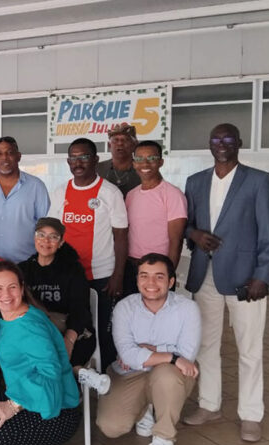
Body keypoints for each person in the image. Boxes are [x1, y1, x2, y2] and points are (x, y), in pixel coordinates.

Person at [182, 123, 269, 443]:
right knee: (206, 346)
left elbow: (267, 233)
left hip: (246, 279)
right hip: (204, 275)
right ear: (209, 144)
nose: (221, 144)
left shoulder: (258, 180)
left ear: (239, 143)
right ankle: (209, 405)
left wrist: (263, 276)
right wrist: (194, 234)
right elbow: (187, 225)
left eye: (228, 139)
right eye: (216, 139)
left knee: (249, 349)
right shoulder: (195, 181)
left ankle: (251, 414)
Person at [0, 261, 81, 445]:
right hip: (25, 394)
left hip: (58, 409)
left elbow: (50, 374)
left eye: (12, 287)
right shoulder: (7, 317)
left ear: (22, 289)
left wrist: (12, 406)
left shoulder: (30, 326)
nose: (6, 295)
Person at [97, 253, 201, 445]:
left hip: (169, 374)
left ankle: (164, 439)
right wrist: (170, 354)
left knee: (167, 376)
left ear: (171, 282)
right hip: (130, 373)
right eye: (144, 276)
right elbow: (127, 354)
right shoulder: (124, 307)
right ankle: (144, 407)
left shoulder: (188, 308)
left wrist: (149, 351)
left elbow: (186, 354)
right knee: (111, 426)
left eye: (159, 277)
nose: (151, 283)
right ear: (137, 280)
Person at [48, 137, 128, 372]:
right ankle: (76, 375)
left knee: (103, 331)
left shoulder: (110, 192)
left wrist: (118, 275)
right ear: (68, 162)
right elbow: (52, 234)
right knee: (73, 329)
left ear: (95, 159)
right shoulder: (60, 192)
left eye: (84, 157)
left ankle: (106, 378)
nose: (78, 162)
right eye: (73, 158)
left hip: (102, 275)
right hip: (69, 276)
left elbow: (121, 236)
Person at [17, 218, 97, 374]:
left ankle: (75, 378)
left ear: (61, 242)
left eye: (53, 237)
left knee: (60, 360)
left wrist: (69, 341)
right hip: (35, 331)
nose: (46, 241)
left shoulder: (72, 269)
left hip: (69, 329)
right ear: (34, 238)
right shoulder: (23, 269)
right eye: (41, 235)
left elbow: (80, 310)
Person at [123, 140, 187, 295]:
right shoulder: (131, 195)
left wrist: (167, 274)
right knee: (131, 308)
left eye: (151, 158)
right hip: (131, 266)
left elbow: (176, 240)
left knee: (157, 308)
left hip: (157, 268)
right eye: (139, 159)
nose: (145, 163)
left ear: (160, 162)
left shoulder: (172, 194)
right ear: (134, 163)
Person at [96, 122, 141, 196]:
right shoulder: (97, 169)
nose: (120, 143)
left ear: (134, 145)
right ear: (109, 146)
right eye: (116, 140)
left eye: (125, 140)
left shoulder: (142, 169)